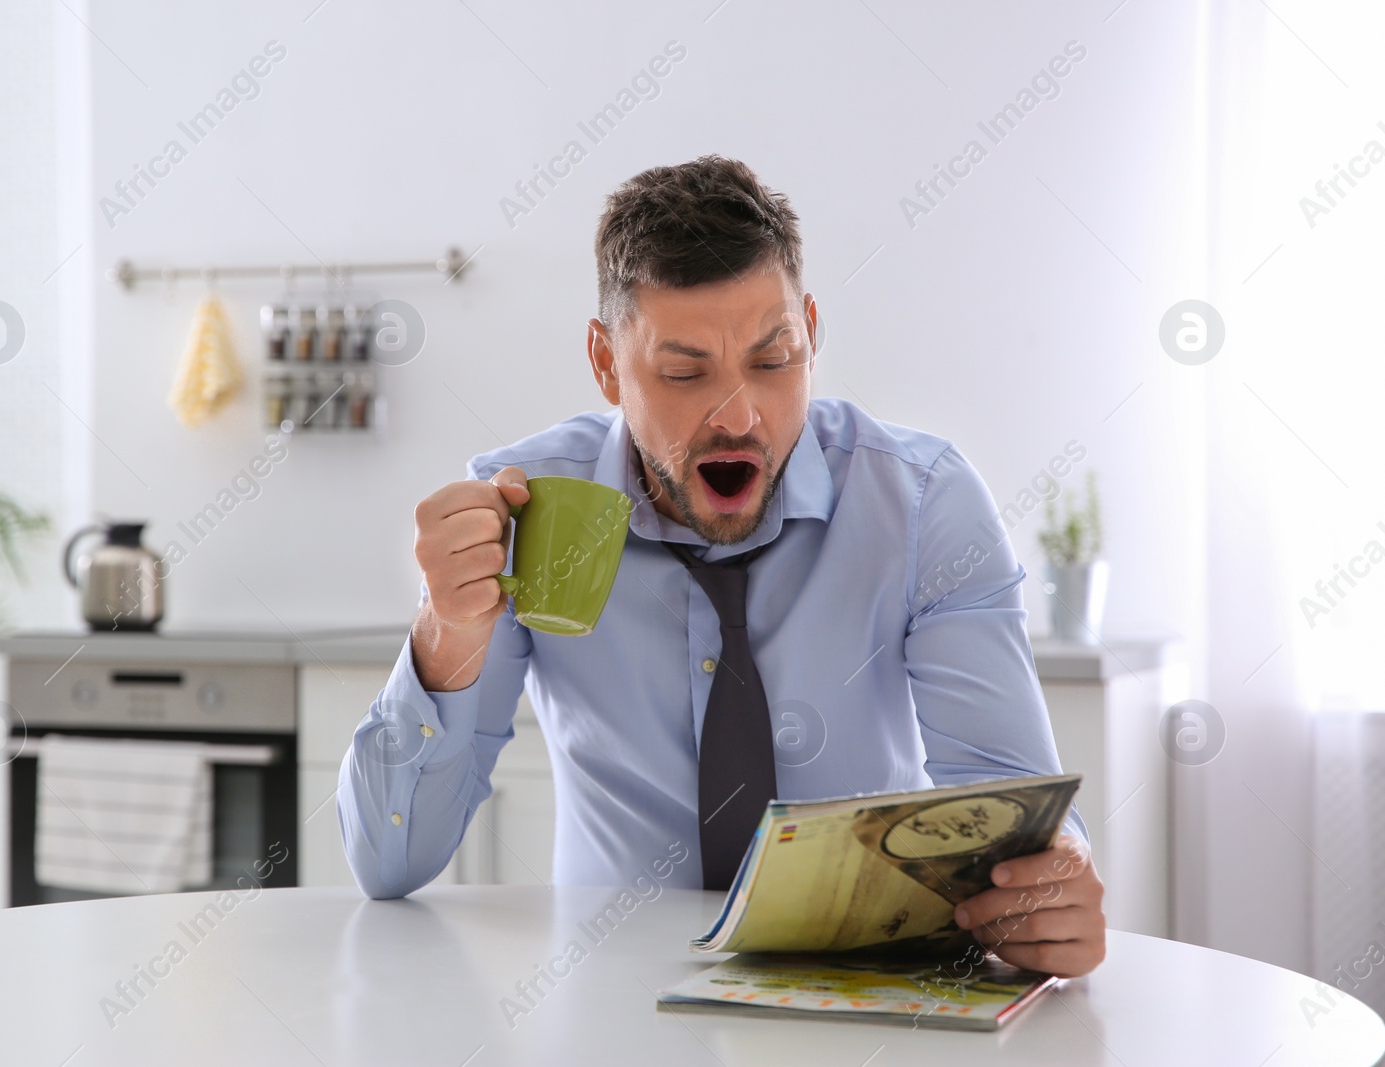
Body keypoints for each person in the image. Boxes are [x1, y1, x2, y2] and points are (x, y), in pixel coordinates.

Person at [338, 155, 1106, 978]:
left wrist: (1049, 887)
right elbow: (390, 863)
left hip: (860, 998)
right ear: (605, 363)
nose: (738, 414)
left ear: (810, 331)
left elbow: (1010, 809)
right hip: (612, 1004)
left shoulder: (922, 505)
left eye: (773, 361)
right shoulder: (531, 512)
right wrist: (444, 634)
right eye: (684, 372)